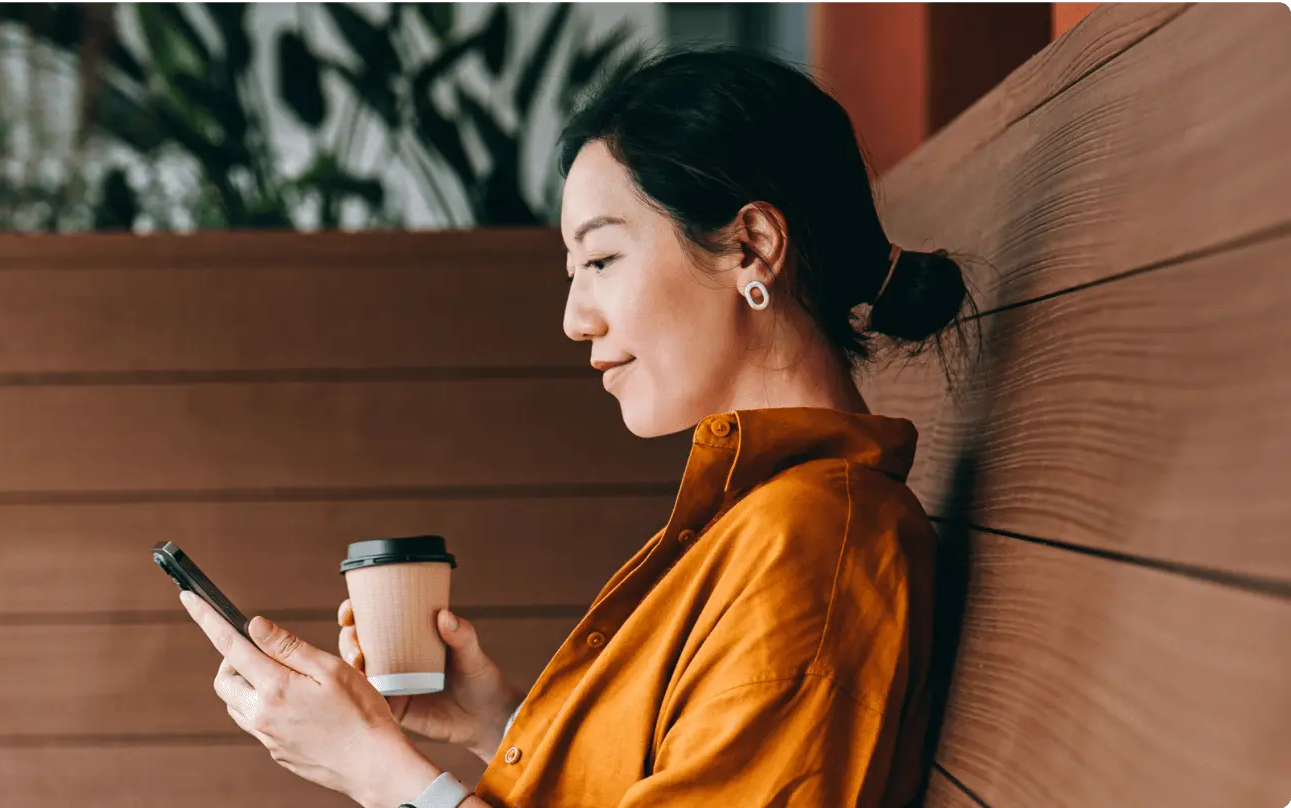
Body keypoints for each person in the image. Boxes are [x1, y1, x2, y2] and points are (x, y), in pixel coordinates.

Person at [178, 46, 970, 808]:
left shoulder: (814, 543)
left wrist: (379, 774)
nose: (573, 320)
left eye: (600, 261)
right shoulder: (763, 516)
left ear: (752, 247)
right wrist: (498, 723)